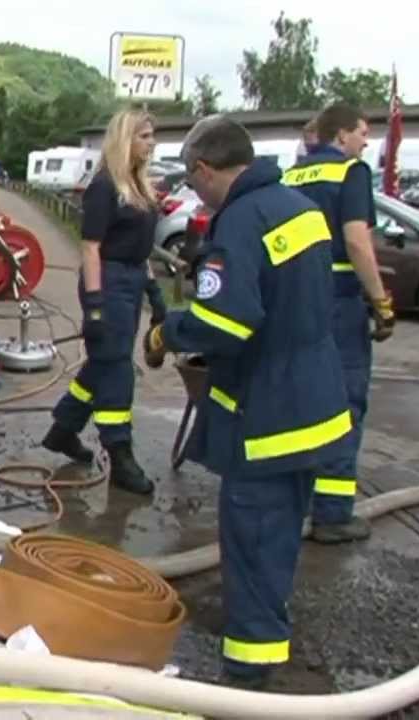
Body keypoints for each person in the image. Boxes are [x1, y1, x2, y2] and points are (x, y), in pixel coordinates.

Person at [142, 116, 352, 689]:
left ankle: (249, 670)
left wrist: (169, 331)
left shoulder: (239, 222)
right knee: (281, 535)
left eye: (193, 179)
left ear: (205, 169)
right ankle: (270, 636)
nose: (194, 190)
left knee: (255, 541)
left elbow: (226, 323)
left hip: (268, 415)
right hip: (318, 404)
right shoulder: (300, 206)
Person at [282, 103, 394, 545]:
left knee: (297, 400)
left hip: (290, 302)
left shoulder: (291, 177)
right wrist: (380, 300)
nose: (366, 142)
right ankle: (331, 513)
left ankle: (294, 499)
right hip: (337, 304)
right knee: (344, 405)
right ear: (342, 135)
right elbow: (356, 242)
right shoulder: (352, 173)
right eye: (363, 133)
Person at [39, 109, 159, 495]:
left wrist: (155, 294)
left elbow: (142, 249)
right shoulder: (104, 187)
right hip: (106, 280)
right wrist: (94, 305)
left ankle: (62, 430)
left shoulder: (140, 188)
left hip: (132, 278)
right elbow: (90, 248)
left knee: (103, 364)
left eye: (152, 135)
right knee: (118, 368)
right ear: (125, 139)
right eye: (144, 136)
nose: (151, 142)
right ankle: (119, 451)